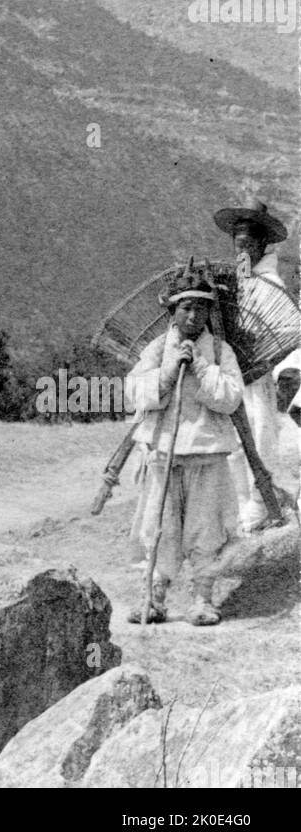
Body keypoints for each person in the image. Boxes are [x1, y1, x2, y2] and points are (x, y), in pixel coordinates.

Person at [124, 264, 245, 627]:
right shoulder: (157, 349)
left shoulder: (222, 352)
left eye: (201, 308)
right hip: (163, 453)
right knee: (159, 525)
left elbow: (230, 398)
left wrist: (202, 368)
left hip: (207, 455)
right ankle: (154, 598)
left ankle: (203, 600)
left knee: (204, 528)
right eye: (185, 307)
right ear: (172, 311)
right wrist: (166, 372)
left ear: (210, 312)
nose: (193, 315)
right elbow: (135, 394)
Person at [213, 199, 296, 532]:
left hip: (257, 375)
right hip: (234, 375)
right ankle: (247, 504)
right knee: (233, 443)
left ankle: (260, 506)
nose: (242, 249)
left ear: (263, 244)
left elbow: (288, 330)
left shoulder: (270, 284)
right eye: (237, 243)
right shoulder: (240, 278)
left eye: (248, 243)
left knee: (258, 437)